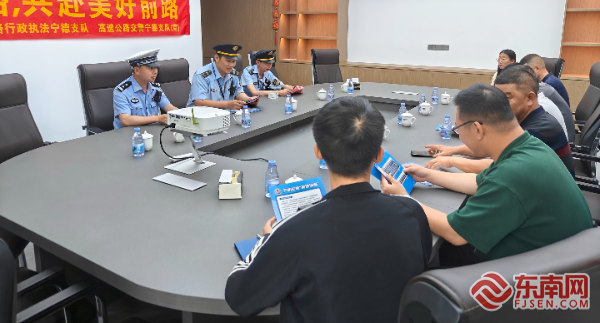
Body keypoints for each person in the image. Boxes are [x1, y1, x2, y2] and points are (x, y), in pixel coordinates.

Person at [225, 97, 431, 322]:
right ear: (379, 155)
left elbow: (239, 297)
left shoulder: (294, 230)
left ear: (318, 152)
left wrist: (268, 239)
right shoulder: (412, 211)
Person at [381, 83, 593, 266]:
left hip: (535, 274)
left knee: (433, 249)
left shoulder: (512, 175)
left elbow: (455, 233)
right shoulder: (528, 145)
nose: (458, 134)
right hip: (563, 257)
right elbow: (478, 182)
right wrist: (428, 175)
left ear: (477, 129)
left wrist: (404, 199)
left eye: (458, 129)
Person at [426, 64, 575, 176]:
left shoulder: (540, 129)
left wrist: (452, 161)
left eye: (507, 97)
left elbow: (499, 166)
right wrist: (452, 150)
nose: (499, 103)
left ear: (530, 98)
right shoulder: (523, 118)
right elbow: (491, 147)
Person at [113, 49, 177, 129]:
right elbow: (126, 120)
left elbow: (170, 108)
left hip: (152, 132)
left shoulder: (155, 88)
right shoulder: (122, 91)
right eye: (150, 68)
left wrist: (186, 115)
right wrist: (157, 118)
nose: (155, 72)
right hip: (130, 134)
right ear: (136, 70)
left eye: (156, 68)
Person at [186, 44, 253, 110]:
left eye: (233, 61)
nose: (231, 65)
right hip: (201, 114)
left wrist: (249, 99)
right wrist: (227, 105)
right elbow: (199, 101)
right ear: (217, 58)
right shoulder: (202, 75)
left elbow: (238, 92)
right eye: (228, 61)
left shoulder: (233, 73)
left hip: (225, 113)